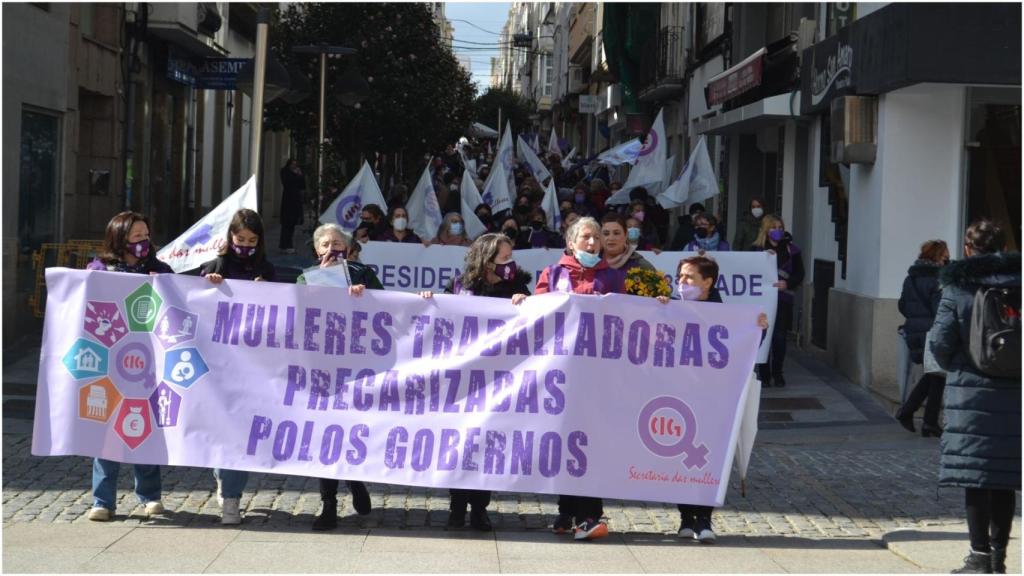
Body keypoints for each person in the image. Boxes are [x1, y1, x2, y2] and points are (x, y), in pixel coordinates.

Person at [419, 234, 530, 531]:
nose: (509, 263)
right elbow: (440, 315)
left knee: (487, 442)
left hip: (499, 377)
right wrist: (430, 301)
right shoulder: (459, 285)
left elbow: (534, 319)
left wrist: (525, 303)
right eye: (503, 258)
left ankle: (480, 508)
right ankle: (457, 506)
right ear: (486, 259)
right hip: (464, 377)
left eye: (510, 257)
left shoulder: (517, 286)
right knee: (461, 441)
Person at [930, 220, 1020, 574]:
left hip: (971, 394)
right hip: (1015, 395)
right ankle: (999, 559)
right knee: (1004, 479)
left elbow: (939, 343)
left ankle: (978, 557)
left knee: (976, 478)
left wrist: (960, 362)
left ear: (968, 249)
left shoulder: (958, 288)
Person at [533, 216, 625, 541]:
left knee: (589, 442)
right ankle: (567, 510)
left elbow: (624, 317)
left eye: (596, 238)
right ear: (571, 243)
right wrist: (524, 302)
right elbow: (537, 313)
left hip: (595, 374)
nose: (591, 243)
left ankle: (590, 515)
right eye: (585, 238)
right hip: (561, 373)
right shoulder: (553, 273)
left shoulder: (612, 277)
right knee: (564, 440)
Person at [667, 255, 770, 543]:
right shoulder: (672, 309)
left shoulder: (725, 315)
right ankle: (686, 518)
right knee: (679, 456)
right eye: (680, 277)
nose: (682, 283)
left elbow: (743, 346)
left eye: (689, 277)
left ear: (708, 282)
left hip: (712, 399)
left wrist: (758, 328)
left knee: (705, 457)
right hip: (679, 396)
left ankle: (705, 519)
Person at [85, 211, 171, 521]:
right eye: (136, 237)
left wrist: (163, 285)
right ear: (120, 240)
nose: (143, 242)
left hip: (148, 363)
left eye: (146, 235)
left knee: (145, 429)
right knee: (106, 433)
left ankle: (150, 496)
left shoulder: (160, 270)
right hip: (110, 363)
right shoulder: (100, 269)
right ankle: (102, 501)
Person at [295, 223, 379, 530]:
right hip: (321, 366)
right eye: (326, 244)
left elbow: (387, 307)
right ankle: (328, 503)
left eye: (337, 243)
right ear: (318, 250)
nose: (332, 248)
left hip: (356, 365)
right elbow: (296, 311)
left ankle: (355, 480)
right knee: (325, 434)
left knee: (351, 428)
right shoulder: (306, 277)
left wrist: (364, 297)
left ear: (347, 248)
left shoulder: (363, 274)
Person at [199, 209, 276, 524]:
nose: (245, 244)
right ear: (230, 237)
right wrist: (209, 284)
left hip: (253, 368)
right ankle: (224, 480)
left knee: (241, 434)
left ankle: (231, 498)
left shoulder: (267, 270)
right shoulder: (216, 266)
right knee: (221, 432)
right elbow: (190, 300)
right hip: (216, 365)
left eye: (252, 240)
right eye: (240, 239)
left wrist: (267, 290)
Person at [894, 240, 950, 438]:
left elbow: (902, 305)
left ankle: (927, 421)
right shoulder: (938, 280)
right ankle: (912, 414)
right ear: (937, 256)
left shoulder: (911, 278)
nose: (947, 259)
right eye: (945, 256)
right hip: (932, 332)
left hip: (915, 331)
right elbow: (939, 310)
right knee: (937, 375)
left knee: (935, 376)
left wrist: (915, 318)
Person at [752, 215, 804, 387]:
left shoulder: (792, 250)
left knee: (780, 338)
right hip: (761, 301)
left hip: (783, 300)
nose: (778, 231)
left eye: (780, 227)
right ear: (766, 230)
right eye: (774, 227)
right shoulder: (756, 250)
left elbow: (799, 273)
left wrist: (788, 283)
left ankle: (778, 373)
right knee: (763, 336)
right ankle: (764, 375)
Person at [279, 158, 306, 253]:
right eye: (292, 164)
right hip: (288, 200)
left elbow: (302, 185)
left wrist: (300, 175)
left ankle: (287, 244)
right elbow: (287, 183)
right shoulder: (285, 172)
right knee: (287, 223)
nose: (294, 166)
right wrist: (296, 175)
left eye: (295, 164)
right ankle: (285, 245)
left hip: (295, 200)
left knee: (292, 224)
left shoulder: (297, 173)